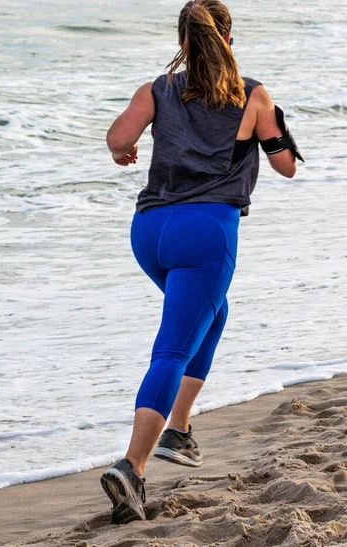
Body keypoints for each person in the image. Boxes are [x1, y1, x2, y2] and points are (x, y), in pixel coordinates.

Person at [100, 0, 302, 525]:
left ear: (184, 43)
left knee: (213, 314)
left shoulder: (157, 89)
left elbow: (120, 139)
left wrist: (125, 152)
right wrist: (275, 127)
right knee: (172, 347)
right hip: (205, 232)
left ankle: (180, 431)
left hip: (150, 232)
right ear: (228, 40)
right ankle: (132, 467)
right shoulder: (252, 94)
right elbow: (284, 167)